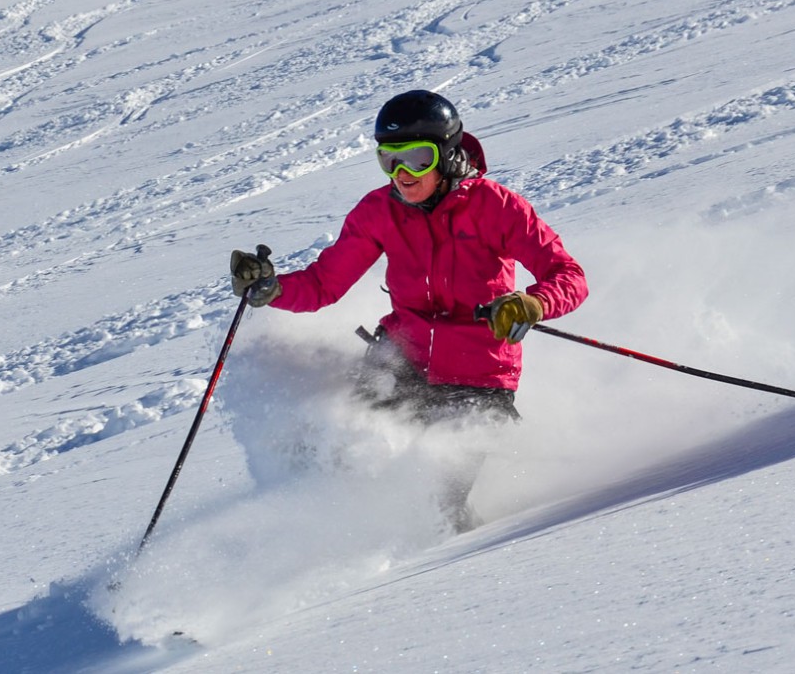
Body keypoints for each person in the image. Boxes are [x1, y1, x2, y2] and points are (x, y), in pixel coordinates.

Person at [228, 89, 588, 530]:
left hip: (478, 380)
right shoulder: (378, 211)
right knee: (338, 466)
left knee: (433, 503)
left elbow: (568, 275)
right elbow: (324, 285)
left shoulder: (496, 207)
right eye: (388, 159)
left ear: (449, 155)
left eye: (417, 158)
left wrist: (533, 302)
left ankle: (448, 565)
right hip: (400, 360)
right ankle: (293, 539)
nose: (401, 174)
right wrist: (271, 288)